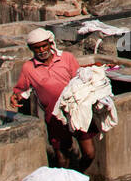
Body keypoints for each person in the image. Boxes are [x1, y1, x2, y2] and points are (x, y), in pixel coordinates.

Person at [8, 29, 96, 171]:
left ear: (50, 44)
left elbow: (81, 81)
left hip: (77, 112)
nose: (42, 50)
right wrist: (15, 95)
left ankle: (77, 177)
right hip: (54, 117)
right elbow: (21, 89)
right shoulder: (28, 68)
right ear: (31, 49)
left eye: (44, 46)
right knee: (62, 158)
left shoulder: (67, 58)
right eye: (37, 48)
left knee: (89, 153)